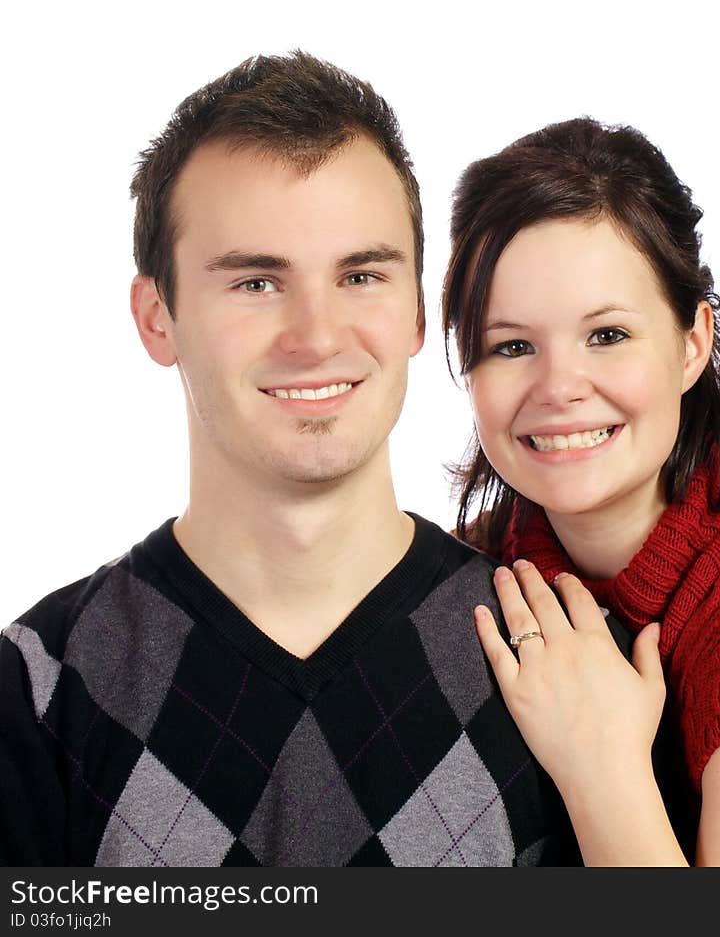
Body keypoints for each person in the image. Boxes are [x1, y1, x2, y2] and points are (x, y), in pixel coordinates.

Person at [0, 53, 578, 867]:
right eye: (256, 283)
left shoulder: (559, 664)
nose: (316, 335)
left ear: (417, 311)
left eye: (361, 275)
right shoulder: (40, 690)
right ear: (156, 316)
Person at [441, 116, 720, 866]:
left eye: (606, 335)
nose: (559, 389)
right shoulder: (473, 571)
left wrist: (602, 770)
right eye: (512, 346)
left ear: (691, 346)